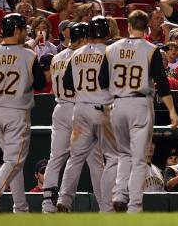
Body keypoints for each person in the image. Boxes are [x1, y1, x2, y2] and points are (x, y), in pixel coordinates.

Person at [104, 10, 178, 212]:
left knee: (123, 154)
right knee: (139, 159)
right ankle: (134, 206)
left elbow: (102, 81)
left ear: (127, 26)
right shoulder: (150, 49)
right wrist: (172, 111)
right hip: (139, 103)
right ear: (146, 28)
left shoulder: (111, 49)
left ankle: (120, 193)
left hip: (116, 104)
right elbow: (162, 84)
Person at [0, 13, 46, 213]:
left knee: (13, 162)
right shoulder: (28, 55)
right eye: (24, 29)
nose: (26, 33)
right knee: (14, 161)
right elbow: (41, 83)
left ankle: (20, 208)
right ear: (16, 30)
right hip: (17, 111)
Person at [41, 22, 104, 213]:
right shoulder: (85, 56)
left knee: (56, 157)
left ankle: (47, 203)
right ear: (84, 38)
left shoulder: (56, 57)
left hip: (60, 108)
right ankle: (104, 205)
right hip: (79, 108)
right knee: (95, 161)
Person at [58, 16, 118, 213]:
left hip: (80, 109)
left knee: (75, 158)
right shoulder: (111, 52)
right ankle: (107, 207)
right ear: (107, 32)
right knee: (113, 159)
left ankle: (64, 201)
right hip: (103, 110)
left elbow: (67, 84)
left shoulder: (76, 53)